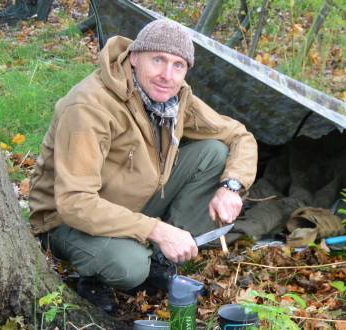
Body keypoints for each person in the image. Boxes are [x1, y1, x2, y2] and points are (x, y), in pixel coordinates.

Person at [28, 19, 258, 312]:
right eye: (158, 60)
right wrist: (158, 230)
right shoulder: (90, 107)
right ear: (134, 58)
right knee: (130, 266)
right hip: (65, 221)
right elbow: (74, 203)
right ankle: (95, 276)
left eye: (178, 65)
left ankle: (158, 258)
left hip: (129, 204)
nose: (167, 75)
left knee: (215, 152)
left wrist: (232, 186)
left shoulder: (174, 98)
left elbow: (240, 135)